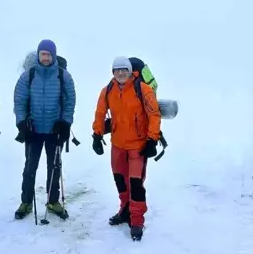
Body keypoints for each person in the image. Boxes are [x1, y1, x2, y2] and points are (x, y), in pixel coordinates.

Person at [92, 56, 161, 241]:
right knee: (120, 181)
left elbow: (154, 115)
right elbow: (100, 113)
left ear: (130, 71)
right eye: (117, 70)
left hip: (138, 146)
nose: (121, 73)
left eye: (124, 69)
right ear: (113, 73)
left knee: (136, 185)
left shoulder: (143, 90)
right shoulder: (107, 91)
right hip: (118, 145)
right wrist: (97, 135)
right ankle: (125, 211)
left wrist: (152, 140)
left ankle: (136, 221)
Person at [13, 39, 76, 220]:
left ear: (53, 55)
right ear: (39, 55)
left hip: (55, 130)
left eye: (49, 54)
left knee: (54, 167)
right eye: (43, 54)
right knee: (30, 167)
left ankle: (53, 200)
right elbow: (19, 101)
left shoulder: (63, 76)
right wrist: (22, 123)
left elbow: (70, 101)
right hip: (33, 130)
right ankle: (25, 202)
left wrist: (65, 123)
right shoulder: (28, 75)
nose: (46, 57)